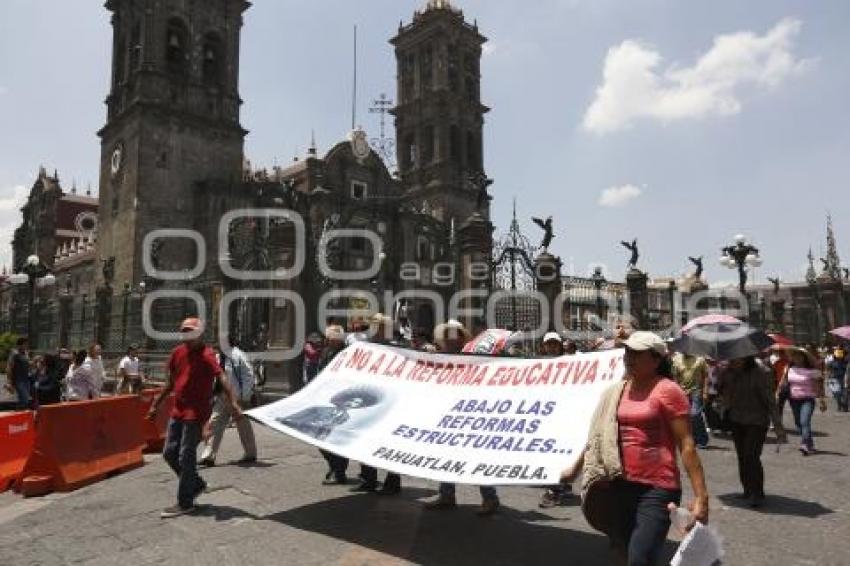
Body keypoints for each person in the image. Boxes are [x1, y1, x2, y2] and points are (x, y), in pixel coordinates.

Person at [563, 332, 709, 565]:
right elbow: (599, 436)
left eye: (637, 354)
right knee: (624, 548)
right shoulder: (616, 391)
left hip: (657, 487)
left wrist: (702, 497)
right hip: (619, 484)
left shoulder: (668, 391)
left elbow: (687, 444)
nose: (629, 358)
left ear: (656, 359)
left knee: (640, 557)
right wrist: (575, 469)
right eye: (628, 352)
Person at [147, 317, 243, 518]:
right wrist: (156, 404)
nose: (187, 336)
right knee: (169, 453)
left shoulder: (207, 355)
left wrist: (233, 402)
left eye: (191, 332)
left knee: (186, 455)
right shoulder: (177, 353)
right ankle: (196, 484)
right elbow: (171, 382)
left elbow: (222, 377)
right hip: (178, 411)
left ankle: (185, 502)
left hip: (196, 413)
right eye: (184, 332)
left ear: (200, 334)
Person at [425, 320, 500, 516]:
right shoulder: (440, 358)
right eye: (448, 335)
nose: (451, 339)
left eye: (455, 335)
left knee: (476, 458)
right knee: (445, 457)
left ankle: (490, 497)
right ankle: (447, 495)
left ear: (460, 337)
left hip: (469, 416)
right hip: (446, 415)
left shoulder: (473, 357)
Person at [719, 356, 786, 507]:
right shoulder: (729, 373)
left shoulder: (762, 372)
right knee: (742, 456)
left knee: (751, 456)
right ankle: (748, 489)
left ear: (746, 358)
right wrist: (723, 377)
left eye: (738, 359)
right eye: (733, 359)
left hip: (757, 420)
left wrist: (778, 428)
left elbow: (770, 400)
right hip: (737, 418)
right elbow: (724, 394)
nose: (734, 361)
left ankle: (757, 492)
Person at [355, 314, 402, 495]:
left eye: (377, 326)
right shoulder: (367, 347)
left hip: (389, 401)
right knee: (365, 440)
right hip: (368, 400)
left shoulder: (396, 349)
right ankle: (368, 478)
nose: (373, 330)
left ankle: (393, 480)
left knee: (390, 442)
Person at [199, 335, 257, 467]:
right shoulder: (219, 357)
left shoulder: (238, 356)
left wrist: (244, 396)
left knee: (243, 426)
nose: (217, 344)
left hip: (236, 397)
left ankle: (250, 453)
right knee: (214, 422)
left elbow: (248, 375)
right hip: (221, 396)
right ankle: (209, 455)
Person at [539, 331, 575, 509]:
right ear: (544, 346)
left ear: (560, 345)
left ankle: (554, 490)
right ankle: (560, 486)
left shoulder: (571, 363)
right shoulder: (539, 364)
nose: (552, 347)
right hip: (546, 413)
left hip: (564, 413)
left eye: (555, 344)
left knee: (559, 453)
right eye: (549, 344)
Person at [315, 325, 350, 485]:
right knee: (319, 436)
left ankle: (339, 471)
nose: (327, 341)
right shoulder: (326, 352)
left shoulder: (348, 354)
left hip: (342, 401)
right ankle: (334, 466)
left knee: (337, 437)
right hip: (325, 399)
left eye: (330, 339)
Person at [779, 348, 826, 455]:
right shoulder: (789, 369)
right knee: (798, 423)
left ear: (804, 358)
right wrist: (779, 392)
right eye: (795, 356)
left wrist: (822, 401)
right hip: (793, 399)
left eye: (799, 356)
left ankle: (804, 443)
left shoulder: (813, 371)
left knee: (805, 421)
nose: (797, 358)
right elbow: (783, 382)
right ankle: (810, 444)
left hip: (807, 399)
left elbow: (819, 387)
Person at [671, 352, 710, 449]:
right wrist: (676, 392)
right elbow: (675, 377)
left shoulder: (700, 359)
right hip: (682, 391)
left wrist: (705, 391)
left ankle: (702, 439)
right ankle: (690, 438)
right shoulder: (676, 359)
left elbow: (705, 376)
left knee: (695, 414)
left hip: (696, 390)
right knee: (684, 416)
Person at [6, 337, 33, 409]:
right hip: (19, 380)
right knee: (24, 399)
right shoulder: (14, 353)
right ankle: (18, 412)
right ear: (20, 345)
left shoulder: (25, 353)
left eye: (27, 344)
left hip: (26, 380)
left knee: (25, 399)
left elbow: (29, 364)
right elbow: (9, 367)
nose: (27, 346)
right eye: (25, 344)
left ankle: (20, 413)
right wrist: (9, 381)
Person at [825, 345, 849, 412]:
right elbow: (828, 370)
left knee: (844, 393)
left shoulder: (846, 363)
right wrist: (828, 378)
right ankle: (840, 404)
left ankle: (844, 406)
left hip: (844, 378)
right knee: (836, 393)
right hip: (834, 379)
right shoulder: (831, 363)